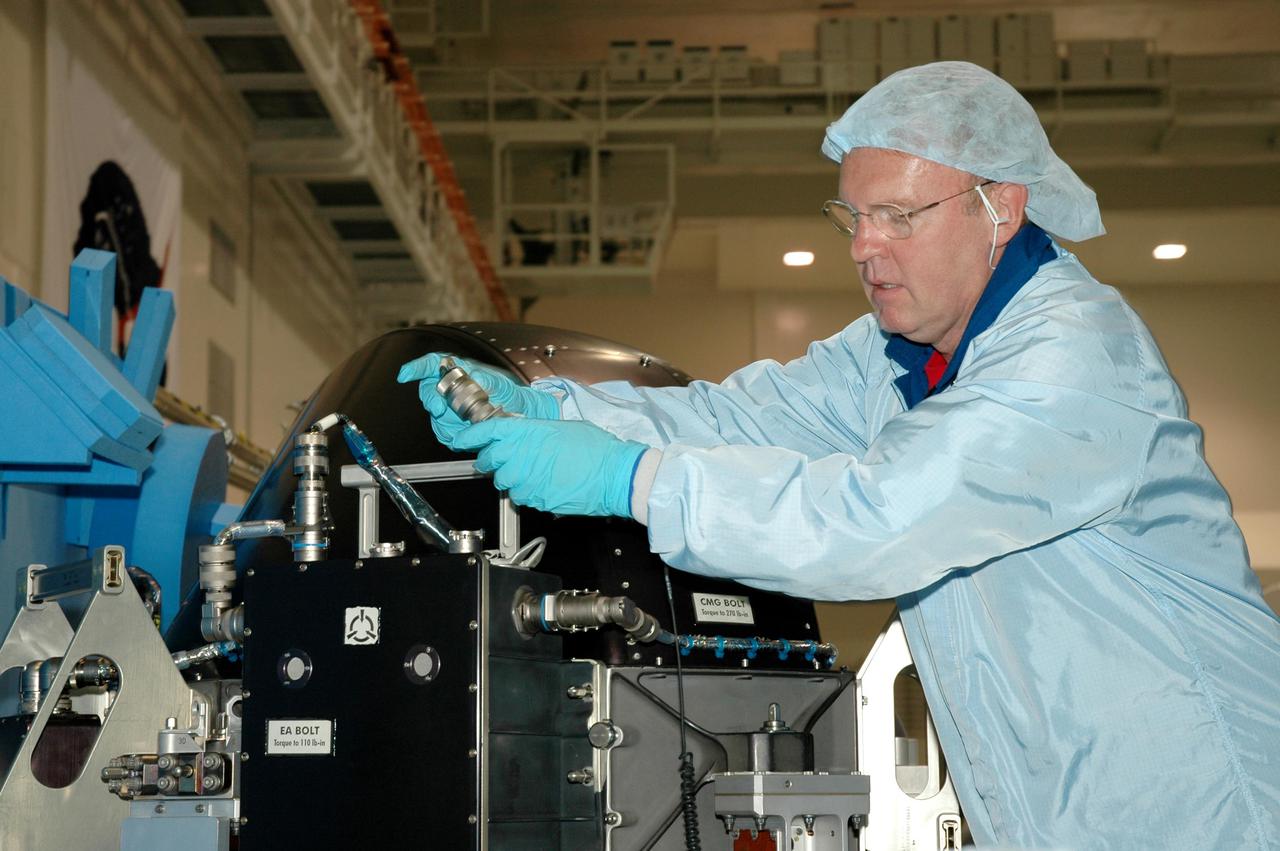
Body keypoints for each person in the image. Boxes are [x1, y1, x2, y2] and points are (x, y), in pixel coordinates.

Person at [398, 62, 1280, 849]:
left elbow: (873, 518)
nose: (864, 246)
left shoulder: (1071, 362)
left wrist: (624, 478)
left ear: (999, 206)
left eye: (898, 214)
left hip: (1205, 803)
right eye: (853, 216)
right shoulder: (895, 353)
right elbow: (734, 417)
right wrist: (549, 402)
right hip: (1051, 811)